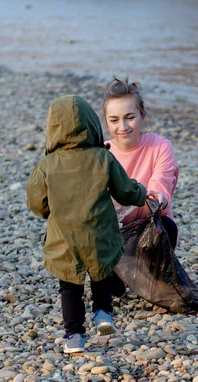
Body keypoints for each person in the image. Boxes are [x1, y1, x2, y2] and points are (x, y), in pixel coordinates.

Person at [26, 95, 152, 354]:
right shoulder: (103, 158)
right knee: (102, 272)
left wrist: (53, 210)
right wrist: (142, 192)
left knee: (69, 286)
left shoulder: (46, 165)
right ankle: (103, 314)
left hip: (65, 239)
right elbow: (125, 191)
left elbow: (37, 204)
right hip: (100, 233)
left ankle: (74, 336)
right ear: (92, 125)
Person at [102, 77, 180, 297]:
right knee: (113, 293)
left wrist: (159, 197)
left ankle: (153, 275)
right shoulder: (102, 153)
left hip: (149, 230)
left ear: (142, 117)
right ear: (107, 123)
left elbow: (160, 191)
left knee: (167, 226)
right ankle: (115, 273)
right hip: (114, 235)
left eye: (130, 117)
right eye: (114, 120)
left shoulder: (160, 146)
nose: (123, 127)